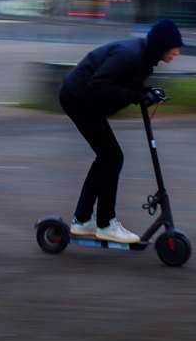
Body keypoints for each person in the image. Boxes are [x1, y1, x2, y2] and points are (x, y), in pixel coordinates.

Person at [58, 18, 183, 243]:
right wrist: (138, 96)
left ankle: (83, 219)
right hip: (77, 98)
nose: (177, 52)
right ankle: (106, 224)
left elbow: (124, 84)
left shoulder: (144, 57)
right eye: (174, 46)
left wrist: (147, 92)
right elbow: (98, 86)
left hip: (84, 99)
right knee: (112, 157)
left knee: (108, 157)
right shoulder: (131, 55)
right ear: (162, 44)